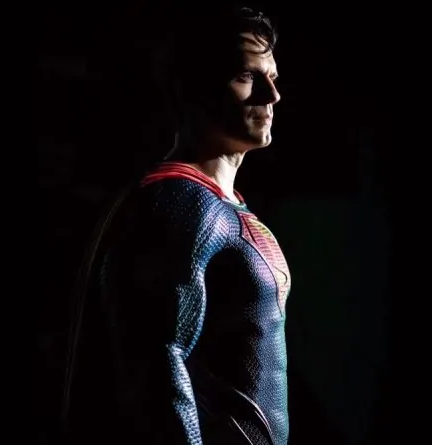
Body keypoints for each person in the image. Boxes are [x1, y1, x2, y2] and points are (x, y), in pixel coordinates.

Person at [62, 6, 289, 444]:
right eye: (247, 76)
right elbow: (157, 363)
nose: (272, 95)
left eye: (273, 77)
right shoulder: (177, 201)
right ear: (193, 89)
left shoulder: (221, 205)